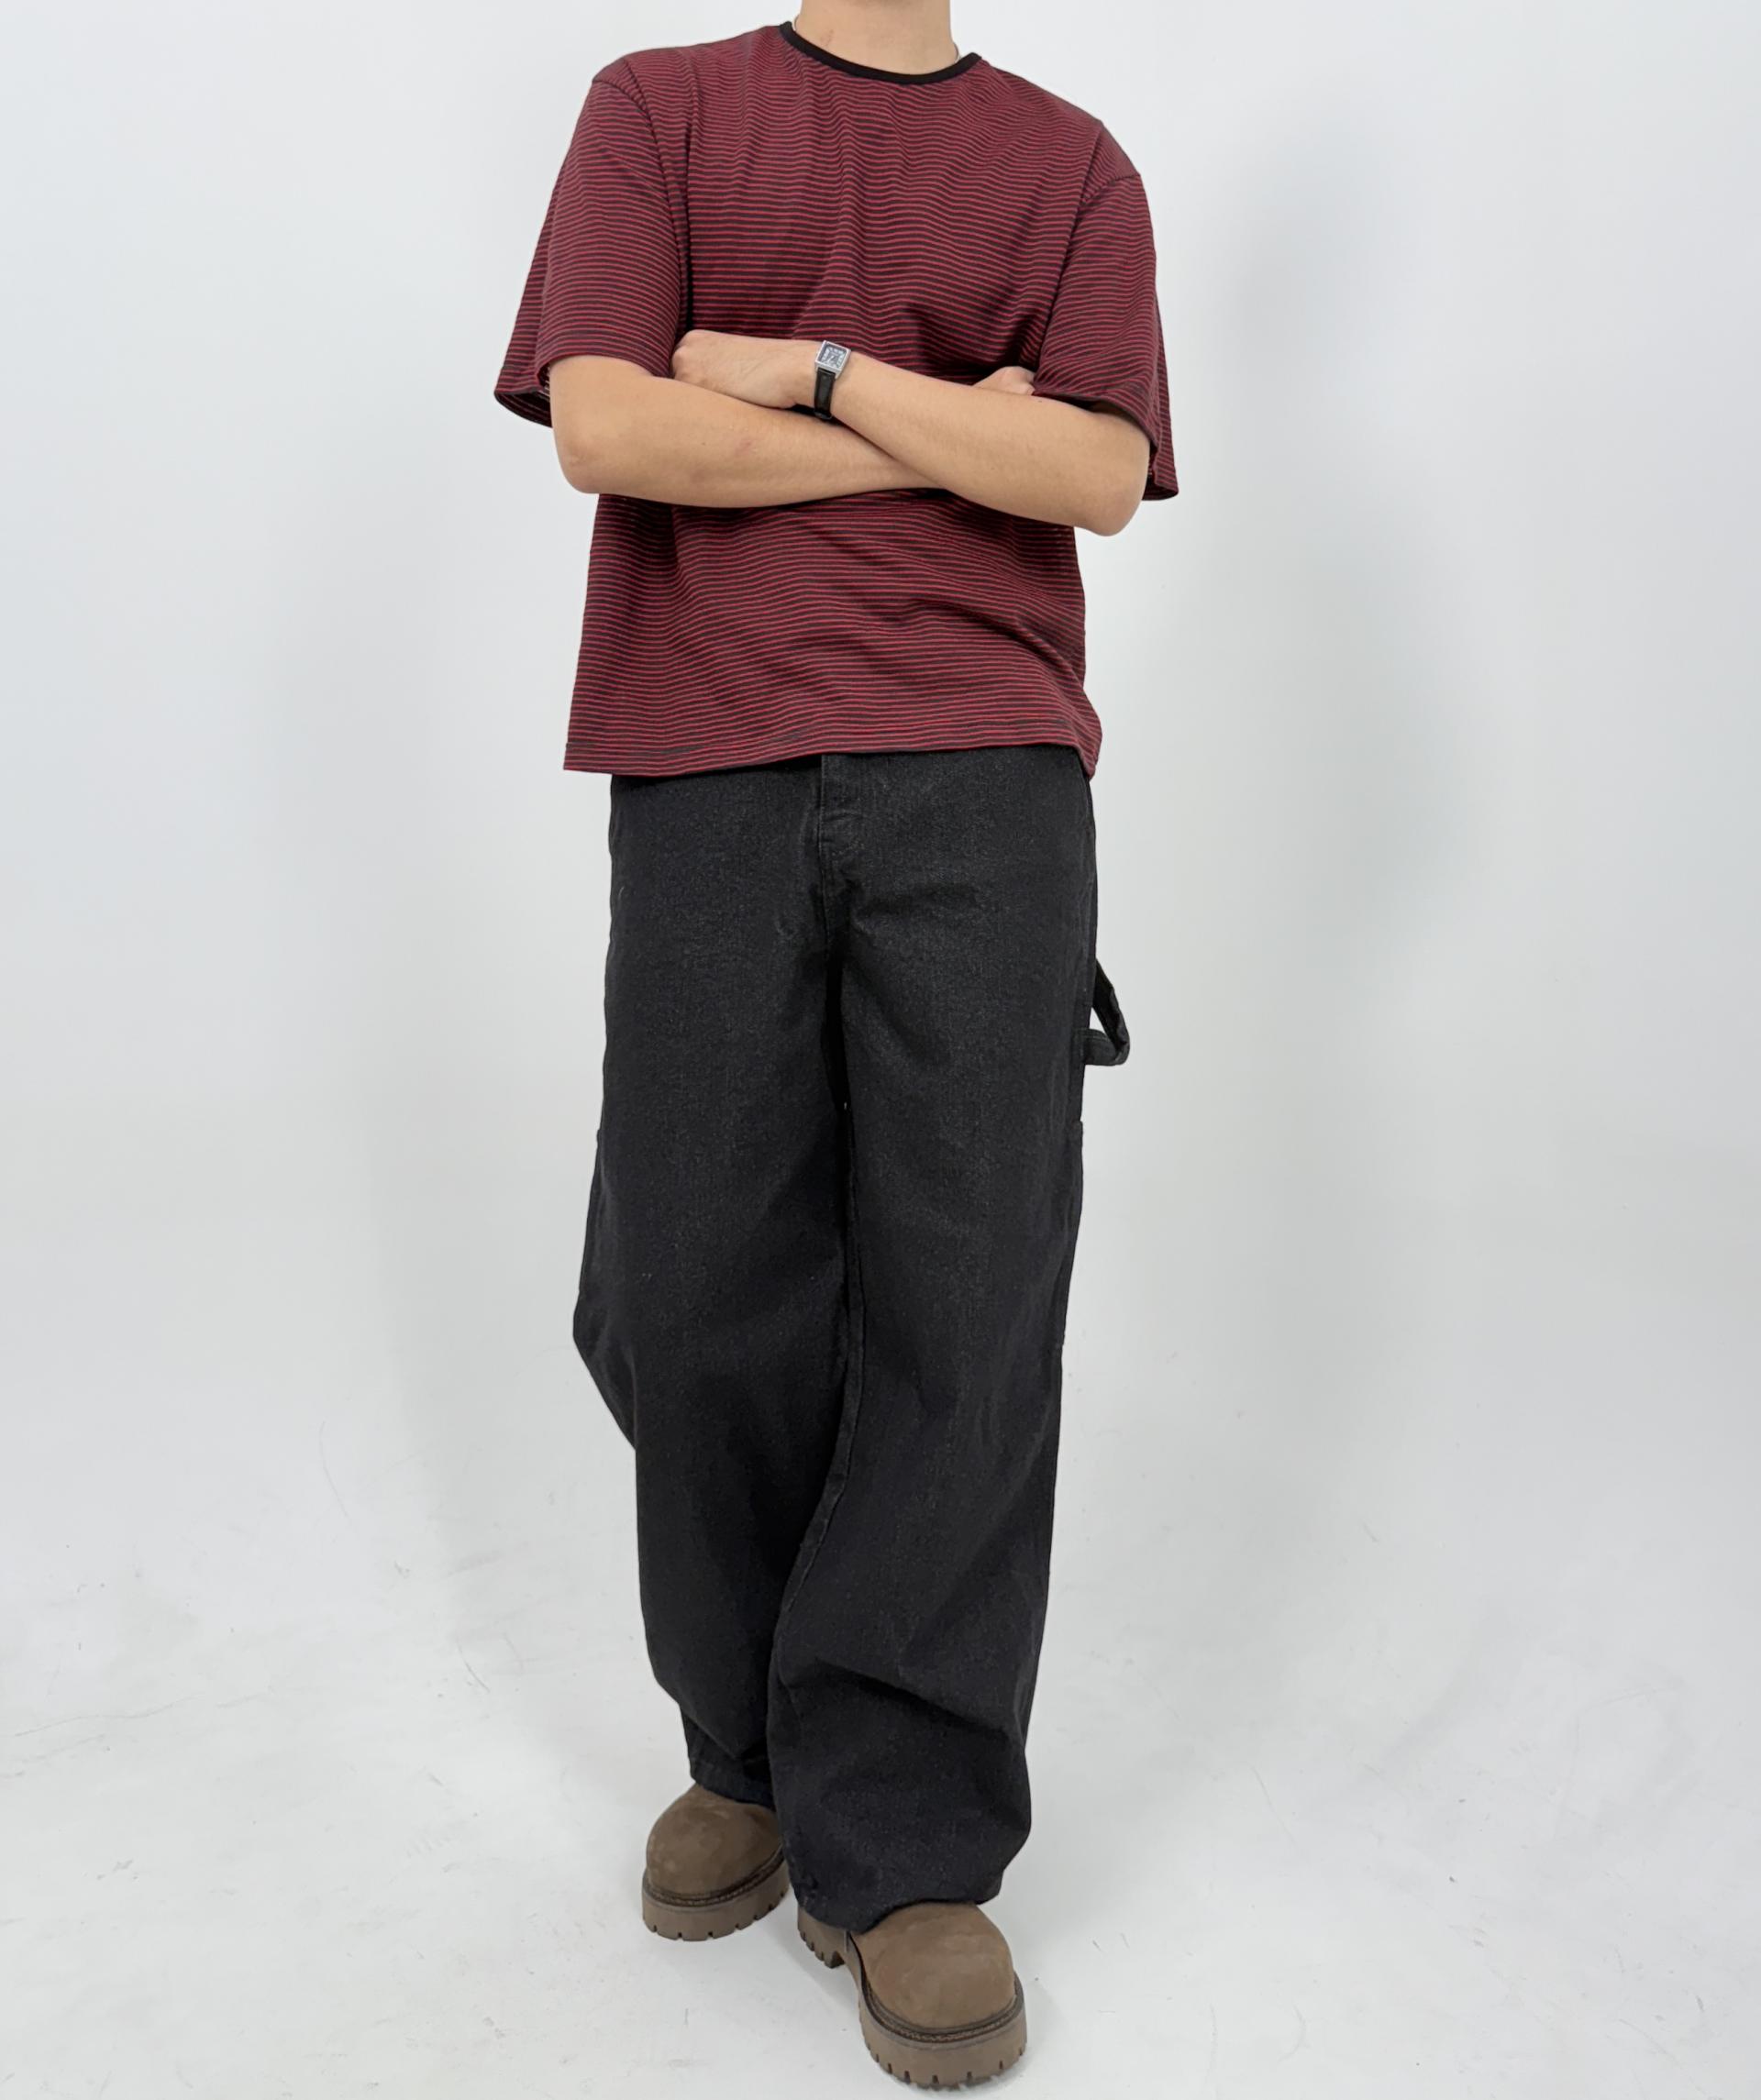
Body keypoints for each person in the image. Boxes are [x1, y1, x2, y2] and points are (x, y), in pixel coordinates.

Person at [493, 2, 1175, 2083]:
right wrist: (950, 431)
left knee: (965, 1292)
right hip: (707, 756)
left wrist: (805, 374)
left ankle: (909, 1836)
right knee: (691, 1283)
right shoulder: (659, 111)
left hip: (986, 768)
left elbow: (1097, 470)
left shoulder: (1072, 161)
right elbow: (610, 427)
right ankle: (753, 1739)